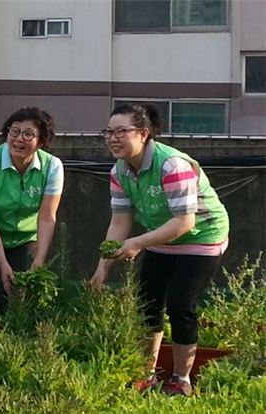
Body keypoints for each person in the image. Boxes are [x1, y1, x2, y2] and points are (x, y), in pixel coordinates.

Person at [90, 103, 229, 396]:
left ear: (144, 133)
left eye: (121, 131)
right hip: (161, 238)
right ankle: (146, 375)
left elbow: (184, 222)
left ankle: (181, 380)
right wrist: (103, 267)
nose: (113, 138)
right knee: (148, 304)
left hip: (201, 236)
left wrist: (138, 243)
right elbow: (119, 222)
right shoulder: (119, 171)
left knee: (181, 305)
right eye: (108, 132)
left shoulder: (171, 165)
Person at [0, 107, 64, 309]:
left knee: (24, 298)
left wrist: (39, 259)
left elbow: (47, 217)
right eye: (14, 131)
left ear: (42, 141)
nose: (19, 139)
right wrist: (2, 263)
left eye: (28, 134)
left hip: (26, 236)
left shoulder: (53, 166)